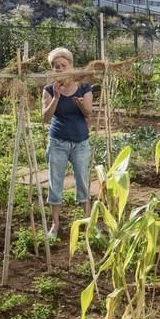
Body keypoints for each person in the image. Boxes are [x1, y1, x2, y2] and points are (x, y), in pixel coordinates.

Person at [41, 47, 93, 238]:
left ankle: (88, 222)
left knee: (83, 181)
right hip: (58, 143)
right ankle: (55, 225)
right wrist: (56, 97)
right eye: (56, 66)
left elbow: (89, 113)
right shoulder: (48, 89)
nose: (60, 68)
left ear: (71, 66)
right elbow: (45, 118)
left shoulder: (83, 88)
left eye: (63, 65)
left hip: (80, 143)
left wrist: (81, 105)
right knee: (55, 183)